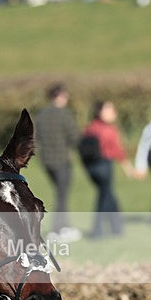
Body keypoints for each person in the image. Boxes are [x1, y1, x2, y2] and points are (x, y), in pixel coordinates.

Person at [34, 83, 81, 242]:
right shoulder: (64, 114)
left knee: (60, 193)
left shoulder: (40, 115)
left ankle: (63, 226)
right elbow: (75, 137)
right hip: (62, 160)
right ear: (60, 96)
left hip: (47, 161)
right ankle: (59, 229)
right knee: (62, 195)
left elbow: (34, 138)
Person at [79, 100, 132, 239]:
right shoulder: (109, 129)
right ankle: (97, 230)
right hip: (104, 164)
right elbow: (117, 149)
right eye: (109, 109)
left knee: (108, 193)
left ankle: (117, 226)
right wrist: (127, 166)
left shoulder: (89, 127)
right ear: (100, 112)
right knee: (105, 196)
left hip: (90, 167)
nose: (113, 112)